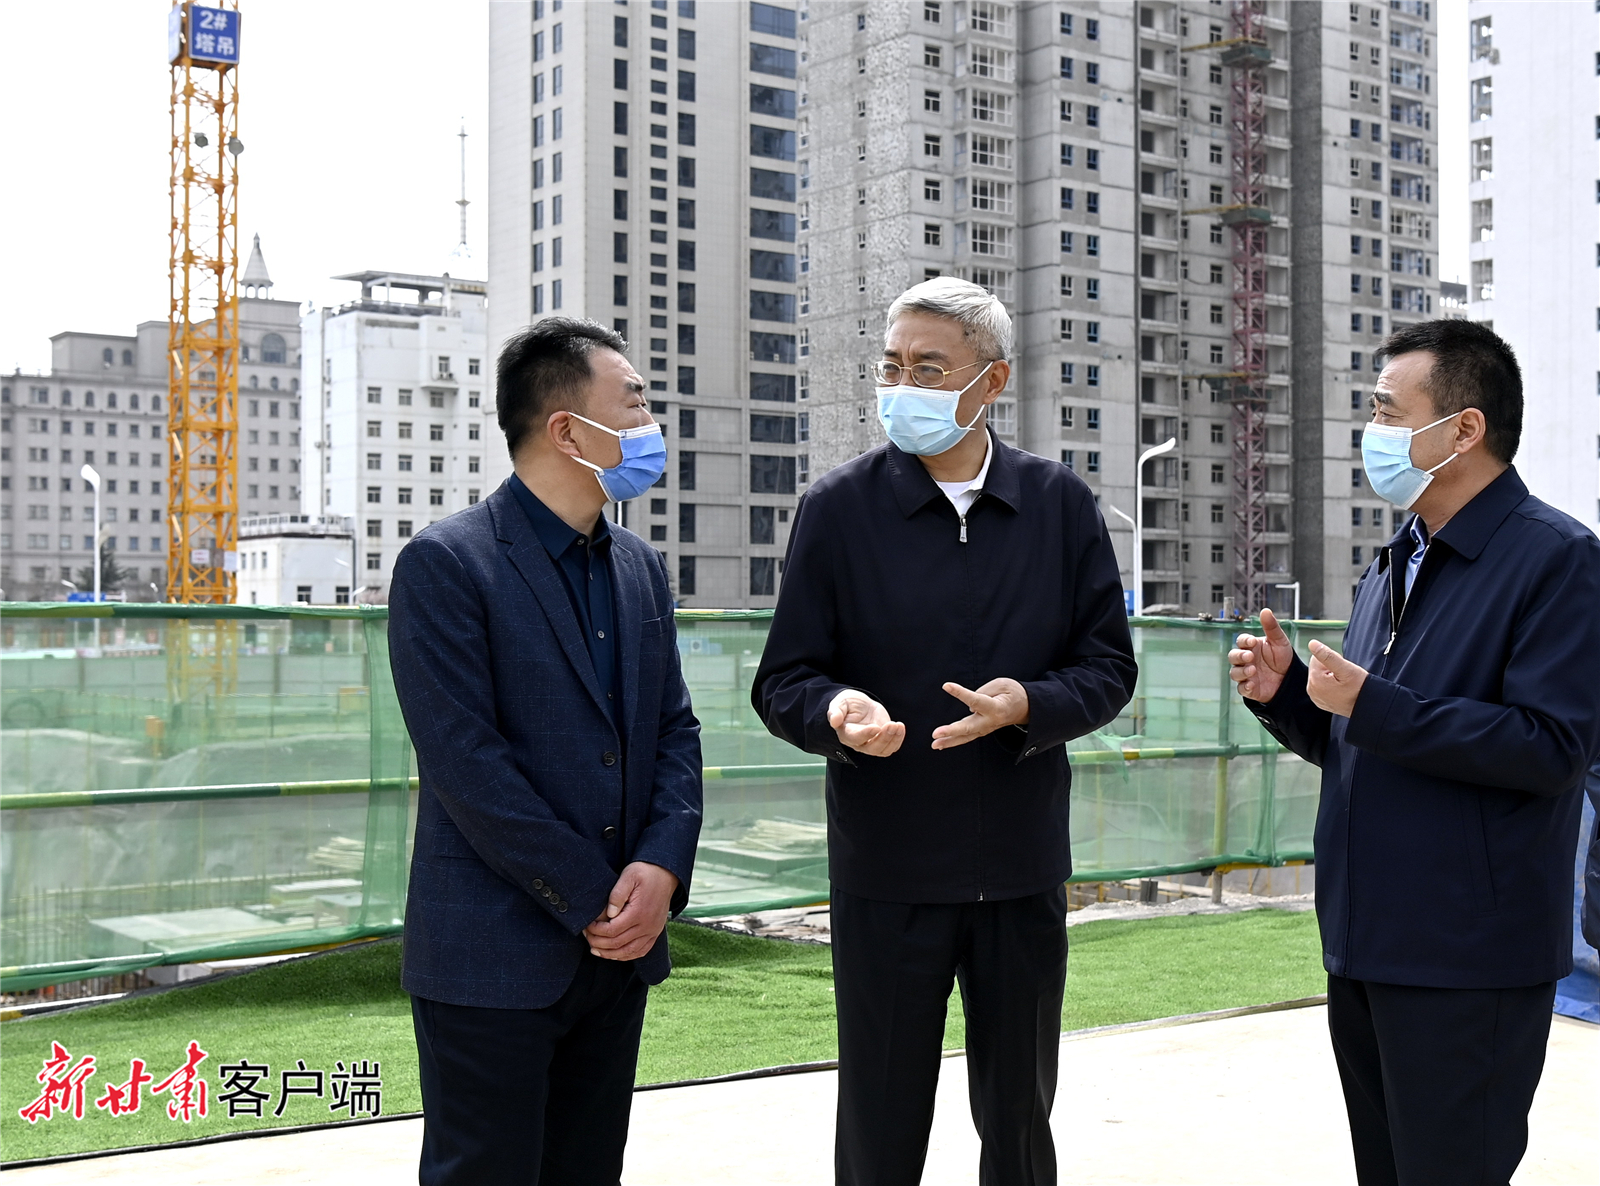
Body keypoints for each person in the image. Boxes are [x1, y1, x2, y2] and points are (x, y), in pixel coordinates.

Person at [752, 277, 1137, 1186]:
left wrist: (1027, 705)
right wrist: (836, 713)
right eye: (892, 366)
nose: (903, 385)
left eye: (929, 368)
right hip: (887, 869)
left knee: (1019, 1120)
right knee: (879, 1123)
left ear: (991, 381)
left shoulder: (1058, 504)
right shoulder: (838, 508)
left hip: (1021, 868)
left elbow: (1108, 668)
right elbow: (784, 678)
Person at [1228, 319, 1600, 1186]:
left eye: (1387, 412)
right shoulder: (1396, 560)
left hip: (1468, 957)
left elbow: (1553, 749)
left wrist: (1374, 705)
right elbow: (1368, 743)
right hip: (1367, 942)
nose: (1372, 432)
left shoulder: (1558, 561)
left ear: (1464, 428)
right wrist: (1289, 696)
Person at [388, 318, 702, 1185]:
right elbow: (466, 765)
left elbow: (674, 730)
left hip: (619, 954)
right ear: (567, 429)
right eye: (633, 403)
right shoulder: (447, 563)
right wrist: (599, 897)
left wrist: (662, 868)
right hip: (493, 954)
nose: (649, 424)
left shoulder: (638, 566)